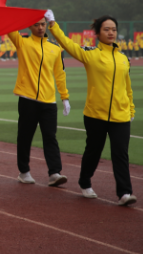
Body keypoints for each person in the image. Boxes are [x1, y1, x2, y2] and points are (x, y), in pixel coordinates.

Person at [47, 11, 137, 206]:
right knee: (93, 151)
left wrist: (131, 110)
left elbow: (127, 87)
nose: (111, 33)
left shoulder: (123, 59)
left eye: (113, 29)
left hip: (120, 116)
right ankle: (85, 181)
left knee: (120, 154)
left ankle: (124, 193)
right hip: (95, 114)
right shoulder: (90, 55)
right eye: (106, 29)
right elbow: (68, 44)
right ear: (98, 33)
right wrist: (53, 24)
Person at [7, 19, 70, 187]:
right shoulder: (22, 42)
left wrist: (64, 97)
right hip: (27, 99)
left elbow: (60, 74)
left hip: (49, 101)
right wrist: (3, 8)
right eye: (36, 24)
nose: (40, 27)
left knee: (50, 136)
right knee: (25, 136)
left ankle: (55, 173)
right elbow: (9, 26)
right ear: (29, 26)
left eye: (43, 24)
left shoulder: (55, 49)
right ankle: (24, 171)